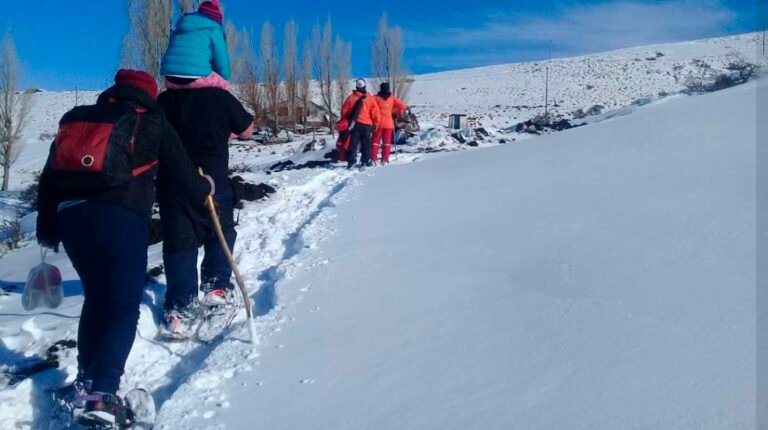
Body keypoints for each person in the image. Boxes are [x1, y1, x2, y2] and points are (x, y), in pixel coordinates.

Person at [36, 69, 213, 427]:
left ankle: (86, 381)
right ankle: (103, 394)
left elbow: (49, 177)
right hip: (120, 218)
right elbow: (181, 176)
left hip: (71, 219)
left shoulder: (80, 119)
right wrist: (205, 185)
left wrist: (47, 228)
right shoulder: (152, 120)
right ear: (148, 93)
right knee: (120, 305)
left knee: (97, 299)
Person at [157, 83, 254, 339]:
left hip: (173, 186)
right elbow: (246, 130)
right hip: (213, 182)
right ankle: (216, 288)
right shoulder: (219, 97)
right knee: (219, 233)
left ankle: (180, 306)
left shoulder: (164, 100)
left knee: (179, 243)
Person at [161, 0, 230, 91]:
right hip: (197, 77)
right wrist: (224, 77)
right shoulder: (215, 29)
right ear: (217, 20)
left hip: (170, 79)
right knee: (224, 84)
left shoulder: (180, 26)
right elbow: (222, 61)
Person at [340, 78, 381, 168]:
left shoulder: (350, 98)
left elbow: (344, 112)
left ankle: (351, 162)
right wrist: (376, 123)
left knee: (353, 144)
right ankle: (364, 162)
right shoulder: (369, 98)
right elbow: (376, 112)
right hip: (367, 125)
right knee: (366, 144)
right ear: (365, 86)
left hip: (354, 125)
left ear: (356, 86)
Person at [372, 82, 407, 164]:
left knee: (375, 142)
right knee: (387, 143)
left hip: (378, 124)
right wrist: (398, 113)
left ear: (380, 88)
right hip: (388, 124)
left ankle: (373, 159)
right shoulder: (392, 98)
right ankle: (385, 159)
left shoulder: (375, 98)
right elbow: (402, 105)